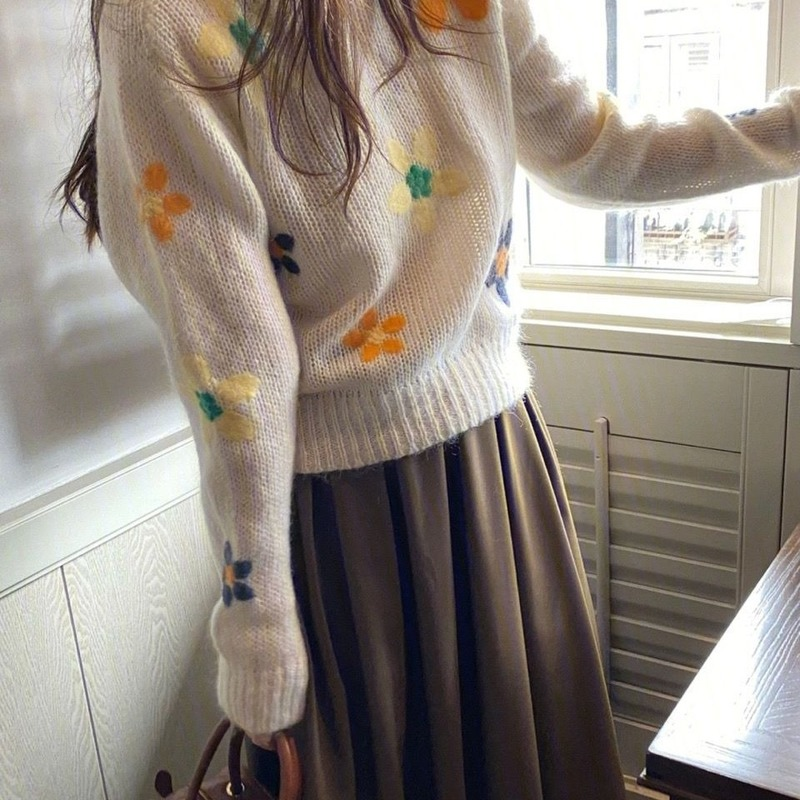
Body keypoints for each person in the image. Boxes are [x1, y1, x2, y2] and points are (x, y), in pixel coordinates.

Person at [56, 0, 800, 796]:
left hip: (349, 527)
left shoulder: (155, 18)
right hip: (500, 477)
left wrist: (257, 641)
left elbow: (237, 368)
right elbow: (604, 149)